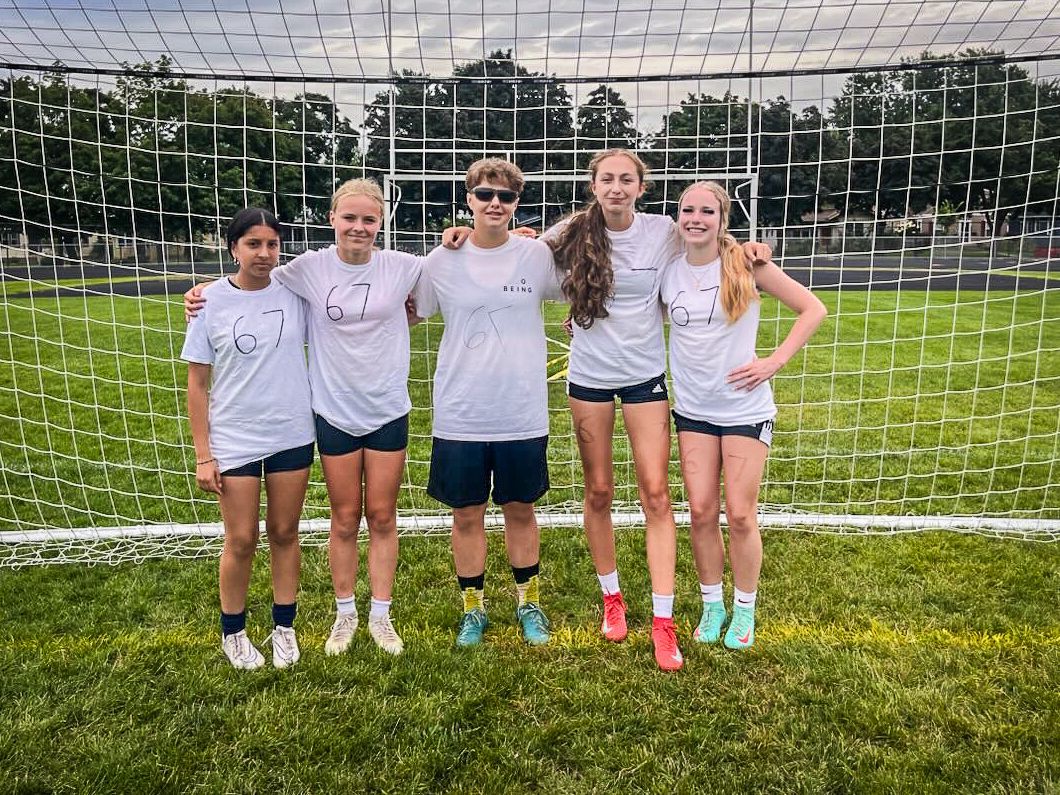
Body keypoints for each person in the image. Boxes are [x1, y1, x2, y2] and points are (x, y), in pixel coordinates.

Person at [545, 150, 770, 671]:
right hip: (588, 380)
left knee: (656, 493)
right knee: (598, 490)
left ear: (641, 187)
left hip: (646, 379)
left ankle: (663, 622)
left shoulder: (663, 231)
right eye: (607, 179)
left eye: (627, 179)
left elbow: (708, 243)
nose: (617, 187)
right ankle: (612, 600)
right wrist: (463, 237)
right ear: (594, 184)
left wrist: (750, 248)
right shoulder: (572, 233)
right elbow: (520, 250)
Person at [185, 179, 421, 656]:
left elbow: (444, 272)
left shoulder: (396, 268)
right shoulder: (296, 275)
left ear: (381, 223)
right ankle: (321, 618)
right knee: (300, 525)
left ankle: (360, 618)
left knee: (361, 518)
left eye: (368, 219)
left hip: (351, 417)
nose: (358, 226)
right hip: (312, 418)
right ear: (331, 219)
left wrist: (504, 234)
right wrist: (203, 291)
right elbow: (202, 371)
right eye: (349, 217)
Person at [661, 181, 826, 650]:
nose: (696, 218)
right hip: (692, 411)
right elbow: (637, 312)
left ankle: (745, 610)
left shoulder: (745, 264)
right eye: (687, 209)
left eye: (706, 211)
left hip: (744, 410)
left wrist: (773, 362)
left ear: (721, 218)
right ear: (678, 217)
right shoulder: (669, 272)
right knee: (700, 512)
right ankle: (712, 605)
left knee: (739, 515)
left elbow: (812, 309)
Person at [414, 157, 563, 648]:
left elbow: (582, 286)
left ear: (517, 203)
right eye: (484, 195)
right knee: (467, 514)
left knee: (521, 509)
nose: (495, 203)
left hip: (521, 411)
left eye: (505, 196)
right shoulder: (440, 260)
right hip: (461, 412)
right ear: (469, 200)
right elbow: (407, 312)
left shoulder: (536, 256)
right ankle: (473, 609)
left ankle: (528, 603)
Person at [181, 208, 314, 670]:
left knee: (284, 532)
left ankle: (284, 627)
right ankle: (233, 633)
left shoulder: (296, 292)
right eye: (253, 244)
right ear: (233, 247)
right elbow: (197, 384)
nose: (264, 254)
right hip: (234, 436)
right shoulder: (208, 301)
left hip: (292, 431)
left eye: (272, 244)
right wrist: (204, 454)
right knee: (240, 539)